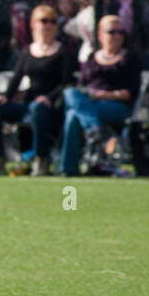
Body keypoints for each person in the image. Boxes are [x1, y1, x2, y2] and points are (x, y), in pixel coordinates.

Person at [0, 5, 75, 177]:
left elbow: (67, 82)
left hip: (51, 106)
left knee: (37, 108)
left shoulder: (62, 51)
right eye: (43, 21)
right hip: (29, 103)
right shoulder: (27, 51)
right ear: (34, 24)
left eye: (52, 22)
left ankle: (41, 159)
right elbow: (16, 80)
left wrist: (48, 98)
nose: (48, 25)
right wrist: (4, 97)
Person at [58, 15, 141, 176]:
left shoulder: (130, 58)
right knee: (70, 94)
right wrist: (89, 96)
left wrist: (105, 94)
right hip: (89, 105)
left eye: (120, 32)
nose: (117, 36)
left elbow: (130, 93)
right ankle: (94, 130)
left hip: (116, 106)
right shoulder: (92, 58)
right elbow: (80, 87)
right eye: (112, 32)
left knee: (74, 114)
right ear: (100, 35)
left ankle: (69, 166)